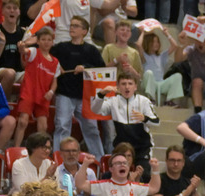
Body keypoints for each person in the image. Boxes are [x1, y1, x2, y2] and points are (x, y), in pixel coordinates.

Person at [50, 16, 107, 159]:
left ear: (84, 31)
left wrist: (86, 68)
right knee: (62, 126)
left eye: (76, 26)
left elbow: (102, 70)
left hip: (85, 95)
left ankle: (99, 160)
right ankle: (58, 158)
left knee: (92, 128)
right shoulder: (61, 47)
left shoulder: (92, 50)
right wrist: (57, 65)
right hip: (64, 93)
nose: (72, 28)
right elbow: (48, 58)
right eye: (71, 25)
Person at [91, 71, 159, 177]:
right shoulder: (113, 101)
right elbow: (95, 110)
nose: (127, 87)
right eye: (123, 84)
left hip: (141, 147)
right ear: (118, 86)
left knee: (144, 176)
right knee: (116, 176)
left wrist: (145, 118)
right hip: (121, 147)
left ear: (135, 87)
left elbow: (157, 122)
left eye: (130, 84)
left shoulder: (144, 101)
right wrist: (102, 93)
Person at [13, 27, 61, 148]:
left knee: (43, 126)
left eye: (49, 39)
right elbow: (24, 51)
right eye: (43, 39)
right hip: (29, 92)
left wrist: (51, 91)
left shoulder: (55, 62)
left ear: (52, 42)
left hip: (43, 96)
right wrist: (22, 46)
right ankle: (16, 148)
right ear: (38, 41)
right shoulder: (34, 52)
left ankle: (40, 149)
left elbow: (55, 81)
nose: (46, 42)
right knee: (23, 121)